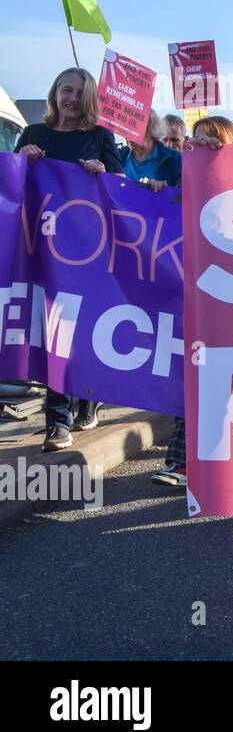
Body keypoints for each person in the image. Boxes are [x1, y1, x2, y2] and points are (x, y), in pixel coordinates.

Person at [15, 68, 124, 451]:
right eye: (66, 90)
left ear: (90, 98)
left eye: (80, 92)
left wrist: (103, 173)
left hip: (87, 251)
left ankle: (87, 399)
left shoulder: (99, 136)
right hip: (43, 249)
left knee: (81, 331)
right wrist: (23, 159)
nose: (72, 98)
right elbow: (12, 184)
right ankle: (57, 422)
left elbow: (121, 186)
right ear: (55, 92)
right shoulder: (33, 134)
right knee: (54, 330)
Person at [151, 116, 233, 488]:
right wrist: (154, 192)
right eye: (197, 138)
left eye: (213, 140)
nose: (201, 145)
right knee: (193, 379)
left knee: (228, 387)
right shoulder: (182, 188)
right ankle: (180, 462)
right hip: (194, 303)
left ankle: (225, 458)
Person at [121, 110, 183, 190]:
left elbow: (185, 195)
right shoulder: (117, 157)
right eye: (126, 128)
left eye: (135, 127)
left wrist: (165, 191)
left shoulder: (176, 159)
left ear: (152, 129)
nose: (130, 133)